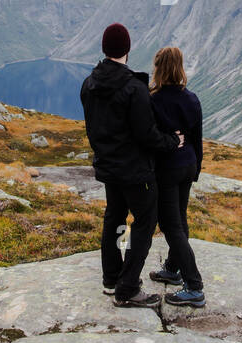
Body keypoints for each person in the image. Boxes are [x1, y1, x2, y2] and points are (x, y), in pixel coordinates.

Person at [80, 23, 182, 308]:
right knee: (144, 222)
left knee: (114, 218)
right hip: (136, 171)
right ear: (127, 49)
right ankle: (127, 287)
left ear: (104, 48)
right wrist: (172, 141)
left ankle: (111, 279)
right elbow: (146, 135)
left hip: (109, 168)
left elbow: (93, 128)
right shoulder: (134, 88)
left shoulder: (89, 84)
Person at [146, 47, 205, 307]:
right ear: (180, 67)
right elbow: (197, 138)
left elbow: (150, 138)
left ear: (158, 68)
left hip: (167, 169)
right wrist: (197, 168)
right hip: (188, 164)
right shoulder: (191, 98)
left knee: (171, 226)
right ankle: (172, 267)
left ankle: (194, 285)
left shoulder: (153, 100)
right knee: (179, 218)